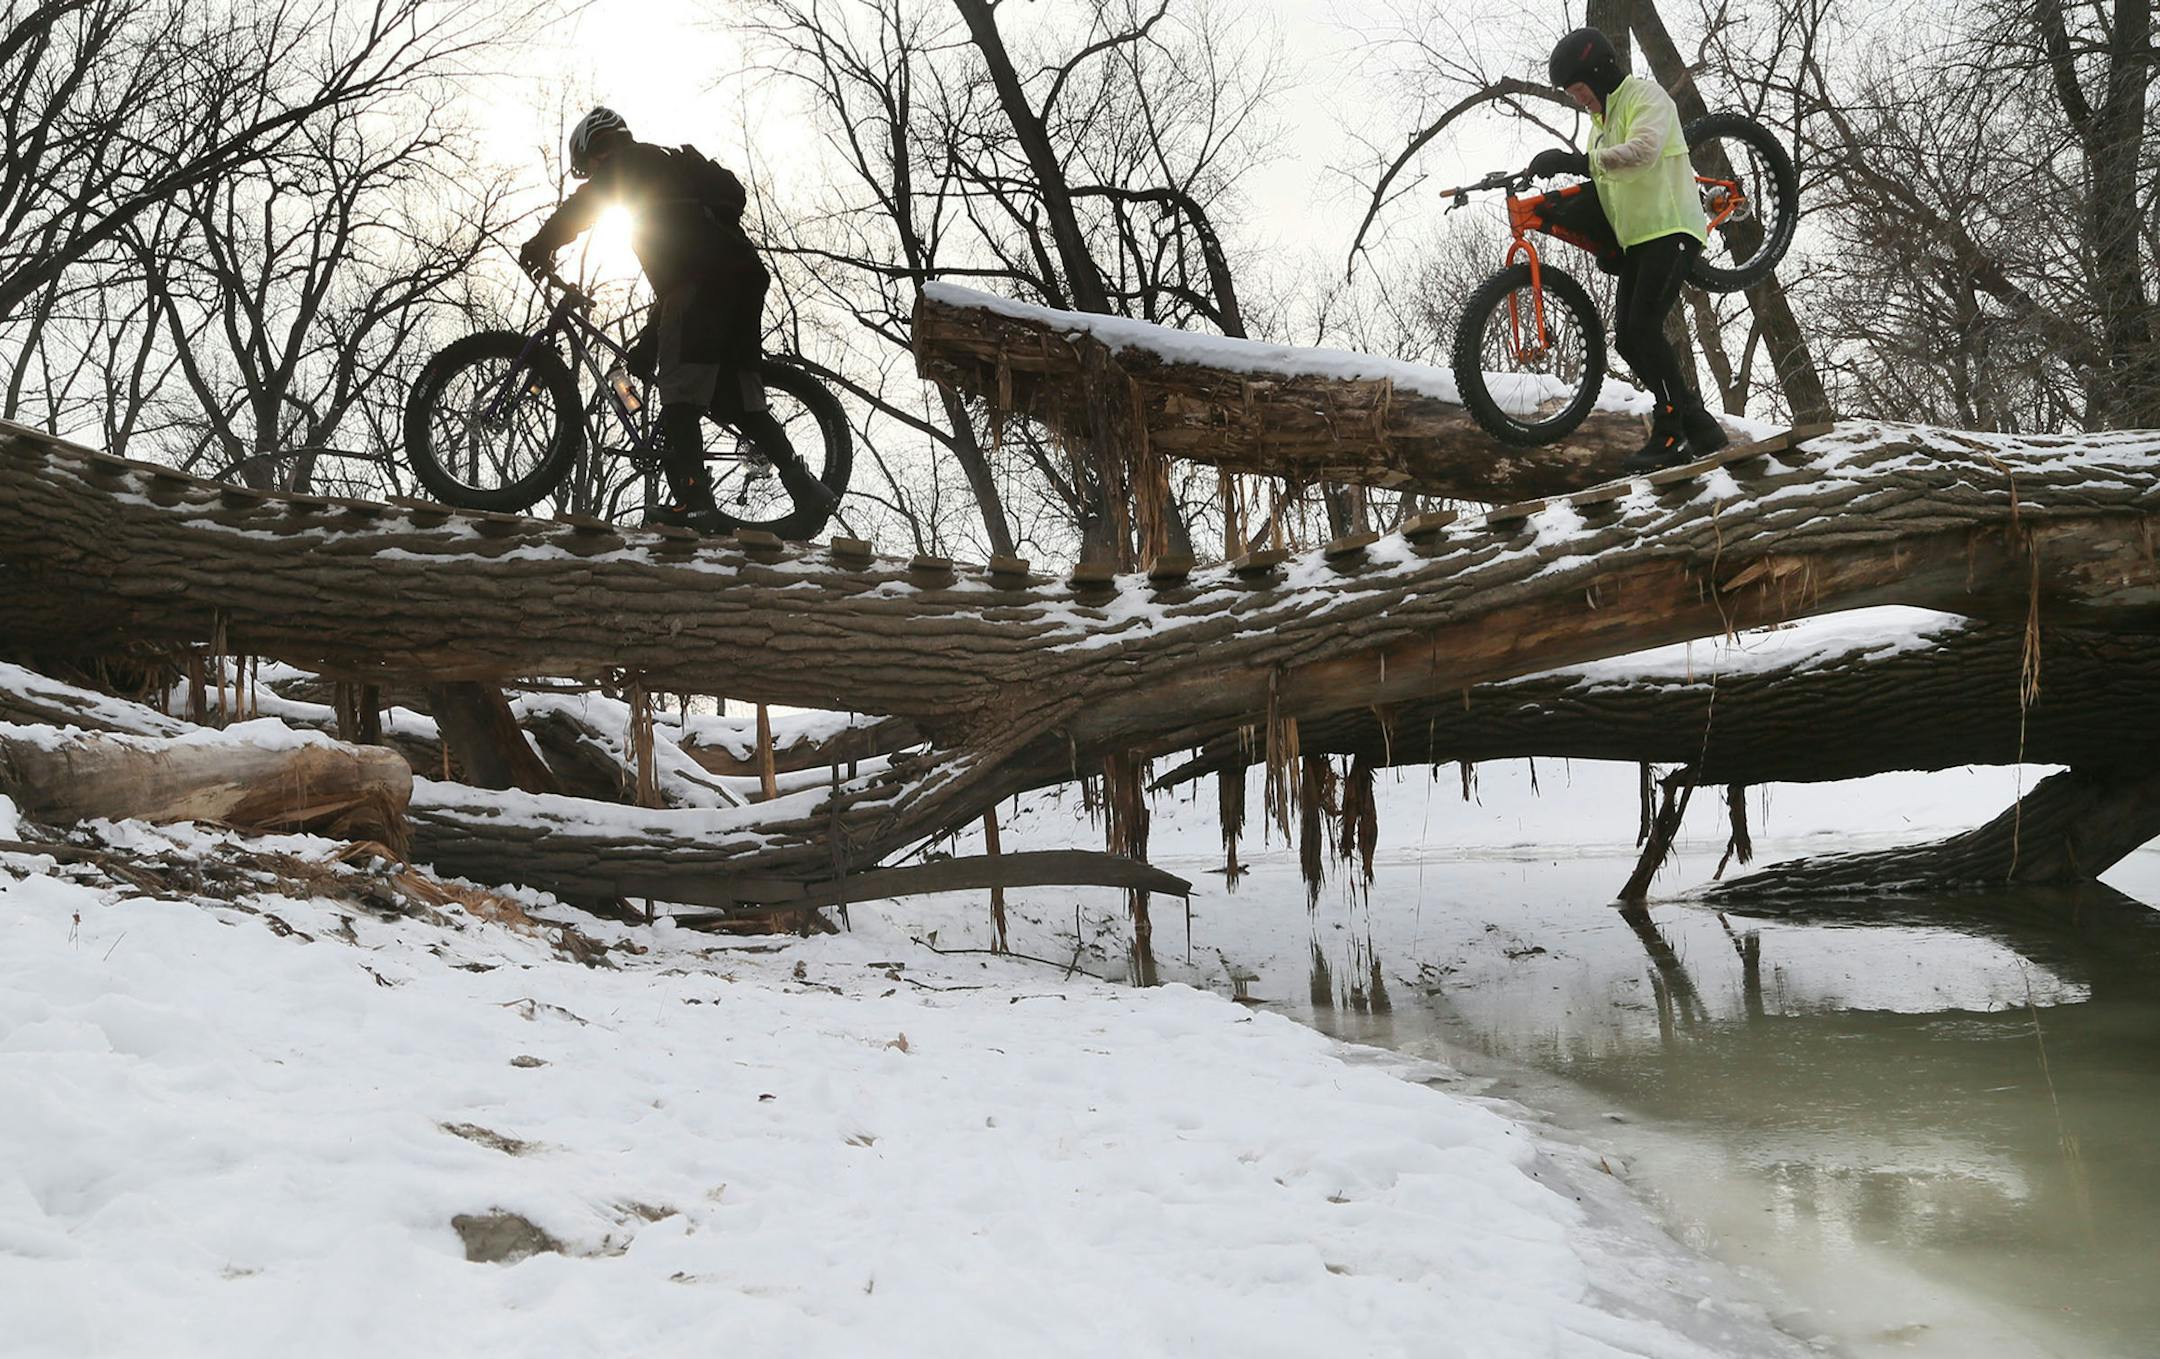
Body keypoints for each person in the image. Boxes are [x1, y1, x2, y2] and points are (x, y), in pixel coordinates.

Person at [518, 107, 832, 531]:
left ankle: (693, 500)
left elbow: (586, 208)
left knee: (681, 393)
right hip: (740, 278)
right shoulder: (665, 171)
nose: (591, 174)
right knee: (738, 398)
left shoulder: (628, 164)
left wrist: (540, 245)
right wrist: (651, 341)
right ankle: (808, 493)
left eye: (588, 165)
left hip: (701, 285)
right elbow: (673, 292)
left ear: (597, 147)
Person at [1528, 29, 1727, 470]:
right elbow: (1607, 192)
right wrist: (1605, 241)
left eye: (1579, 89)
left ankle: (1674, 428)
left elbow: (1642, 151)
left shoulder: (1645, 96)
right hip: (1639, 240)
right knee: (1627, 341)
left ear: (1599, 74)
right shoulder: (1598, 132)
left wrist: (1575, 163)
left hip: (1671, 226)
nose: (1580, 99)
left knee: (1643, 327)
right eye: (1572, 94)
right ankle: (1700, 426)